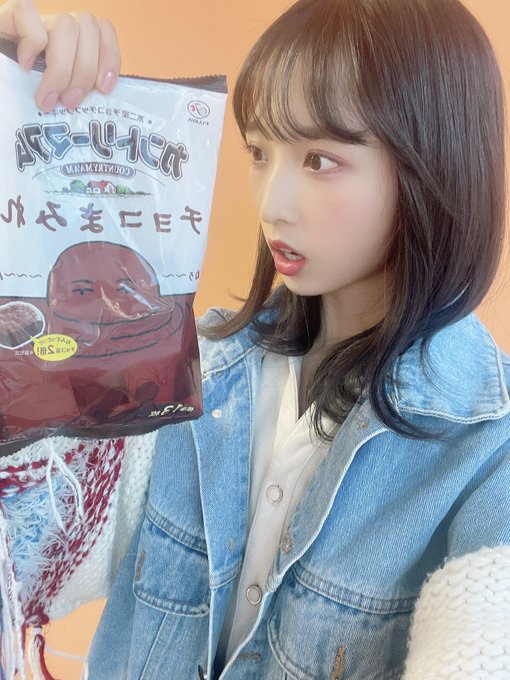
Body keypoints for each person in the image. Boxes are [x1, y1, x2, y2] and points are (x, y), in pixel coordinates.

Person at [1, 0, 509, 678]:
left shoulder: (489, 450)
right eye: (261, 152)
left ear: (434, 165)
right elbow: (29, 563)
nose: (271, 204)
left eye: (320, 159)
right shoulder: (187, 369)